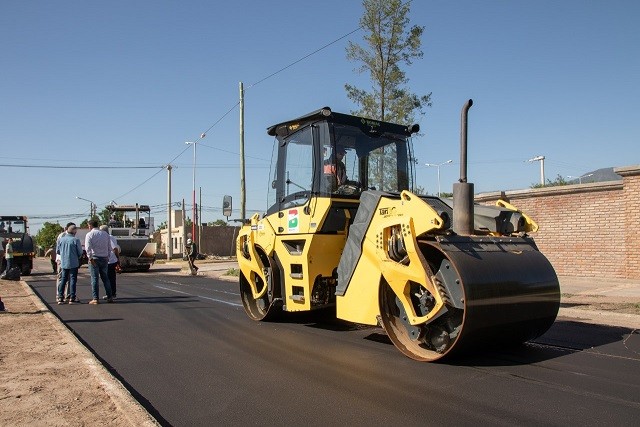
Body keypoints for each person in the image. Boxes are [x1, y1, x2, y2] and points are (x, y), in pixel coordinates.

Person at [85, 220, 113, 304]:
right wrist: (108, 257)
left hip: (94, 258)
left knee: (94, 279)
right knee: (105, 278)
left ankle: (95, 298)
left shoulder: (89, 234)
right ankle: (110, 296)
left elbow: (88, 248)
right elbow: (109, 247)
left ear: (90, 226)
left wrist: (90, 258)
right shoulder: (105, 234)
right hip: (104, 258)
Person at [56, 224, 83, 304]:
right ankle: (72, 297)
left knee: (63, 279)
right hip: (74, 262)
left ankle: (60, 297)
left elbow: (58, 251)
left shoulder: (61, 240)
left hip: (64, 262)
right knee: (73, 280)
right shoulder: (75, 240)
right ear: (74, 231)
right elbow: (80, 252)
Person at [100, 225, 120, 299]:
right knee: (108, 278)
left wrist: (118, 258)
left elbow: (115, 249)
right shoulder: (106, 237)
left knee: (110, 278)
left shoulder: (110, 237)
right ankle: (110, 293)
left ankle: (112, 294)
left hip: (111, 260)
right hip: (107, 259)